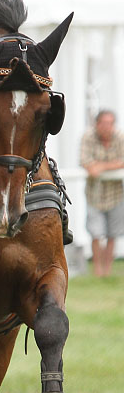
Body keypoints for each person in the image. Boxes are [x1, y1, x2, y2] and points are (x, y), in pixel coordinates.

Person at [79, 109, 124, 276]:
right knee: (96, 234)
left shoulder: (120, 137)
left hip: (116, 194)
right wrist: (112, 164)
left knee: (113, 234)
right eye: (103, 123)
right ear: (97, 124)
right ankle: (98, 272)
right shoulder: (88, 137)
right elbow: (86, 162)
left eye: (109, 123)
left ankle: (108, 271)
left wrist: (102, 166)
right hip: (94, 194)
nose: (106, 127)